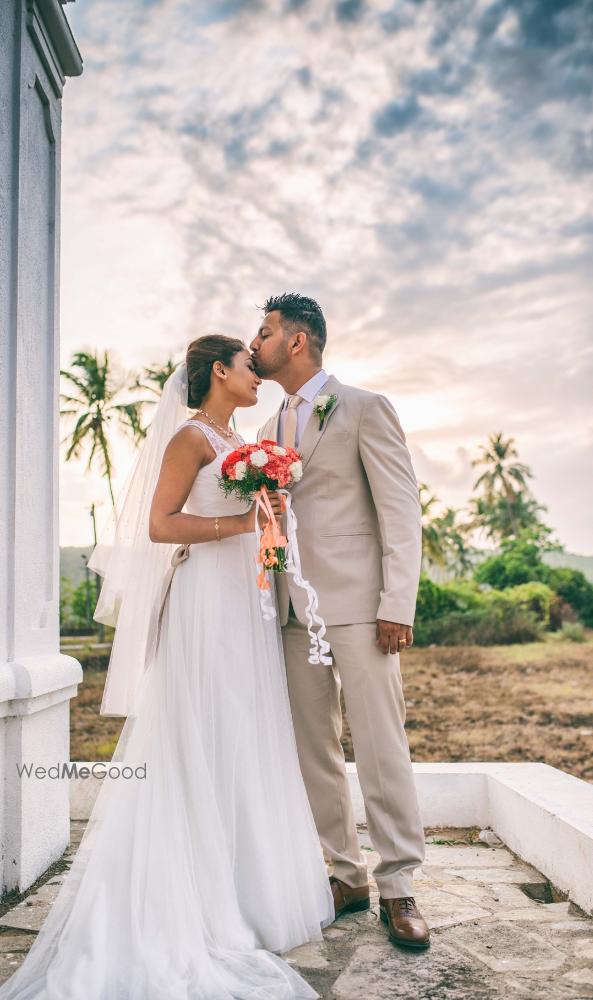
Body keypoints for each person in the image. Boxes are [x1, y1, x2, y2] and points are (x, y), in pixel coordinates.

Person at [0, 335, 333, 1000]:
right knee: (204, 728)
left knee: (243, 730)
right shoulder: (190, 438)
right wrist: (242, 525)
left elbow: (245, 514)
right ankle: (196, 895)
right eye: (247, 366)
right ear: (218, 372)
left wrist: (267, 517)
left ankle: (245, 888)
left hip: (246, 598)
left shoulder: (239, 438)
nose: (257, 375)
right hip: (204, 597)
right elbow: (160, 524)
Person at [252, 294, 430, 949]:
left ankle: (399, 884)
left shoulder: (362, 407)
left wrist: (396, 604)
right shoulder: (268, 426)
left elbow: (400, 510)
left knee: (381, 745)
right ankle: (346, 875)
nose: (255, 343)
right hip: (292, 612)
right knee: (313, 751)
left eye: (264, 333)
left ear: (296, 341)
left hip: (360, 609)